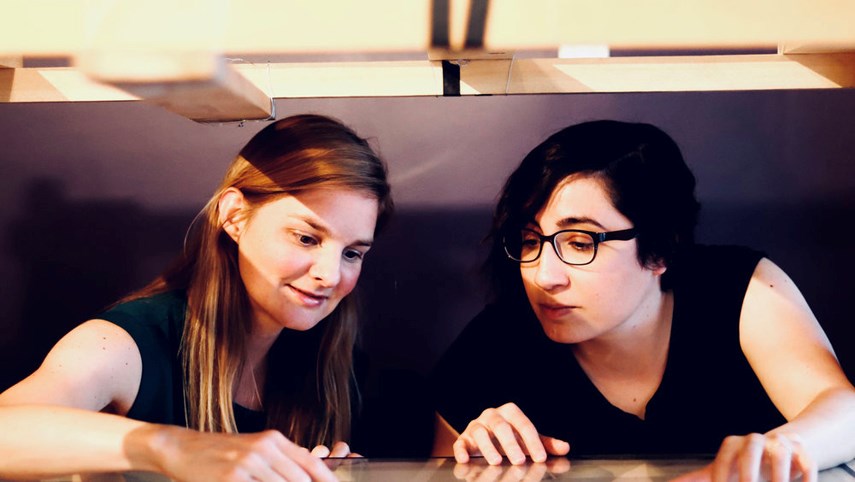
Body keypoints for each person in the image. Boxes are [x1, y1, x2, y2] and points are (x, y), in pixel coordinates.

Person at [430, 120, 855, 481]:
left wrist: (779, 450)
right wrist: (473, 458)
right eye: (529, 241)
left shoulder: (735, 287)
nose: (544, 276)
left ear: (660, 250)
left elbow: (846, 412)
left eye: (580, 243)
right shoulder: (493, 343)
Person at [0, 114, 393, 482]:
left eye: (352, 254)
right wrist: (173, 447)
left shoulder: (330, 356)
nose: (330, 274)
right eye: (307, 238)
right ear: (235, 216)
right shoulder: (127, 343)